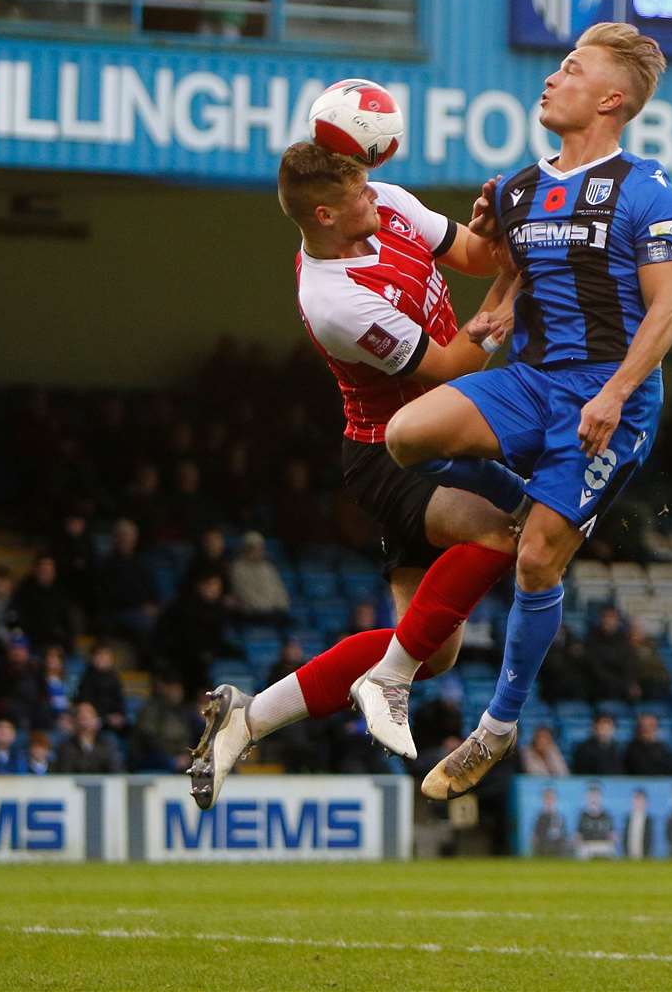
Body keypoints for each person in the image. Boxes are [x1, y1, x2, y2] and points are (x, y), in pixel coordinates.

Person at [382, 23, 672, 799]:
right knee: (404, 435)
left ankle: (495, 729)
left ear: (612, 98)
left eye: (571, 69)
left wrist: (615, 394)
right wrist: (493, 300)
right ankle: (519, 502)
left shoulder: (647, 191)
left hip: (606, 396)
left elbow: (668, 312)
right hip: (529, 381)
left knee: (535, 562)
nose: (552, 79)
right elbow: (512, 274)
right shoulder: (519, 189)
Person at [186, 138, 521, 809]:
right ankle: (382, 683)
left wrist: (501, 233)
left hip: (439, 438)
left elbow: (480, 257)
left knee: (431, 653)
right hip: (394, 454)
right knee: (498, 531)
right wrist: (517, 286)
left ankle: (247, 718)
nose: (377, 194)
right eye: (359, 195)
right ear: (325, 216)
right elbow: (456, 365)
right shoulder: (335, 300)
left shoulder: (388, 203)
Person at [131, 675, 206, 773]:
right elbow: (149, 740)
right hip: (154, 756)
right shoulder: (150, 710)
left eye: (179, 689)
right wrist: (174, 758)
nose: (178, 693)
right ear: (164, 688)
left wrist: (187, 755)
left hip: (182, 757)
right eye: (174, 688)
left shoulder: (184, 711)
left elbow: (196, 734)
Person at [53, 701, 125, 774]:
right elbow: (64, 774)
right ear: (75, 722)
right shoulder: (65, 746)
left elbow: (116, 772)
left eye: (89, 717)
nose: (85, 723)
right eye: (82, 718)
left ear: (97, 721)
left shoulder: (108, 744)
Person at [76, 643, 129, 734]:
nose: (103, 658)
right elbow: (86, 704)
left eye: (106, 654)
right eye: (100, 654)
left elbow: (120, 702)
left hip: (113, 719)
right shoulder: (87, 678)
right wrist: (106, 718)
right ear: (93, 658)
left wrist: (120, 715)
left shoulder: (114, 677)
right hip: (96, 719)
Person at [574, 784, 616, 858]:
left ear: (600, 798)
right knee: (582, 852)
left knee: (611, 851)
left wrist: (612, 841)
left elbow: (612, 834)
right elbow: (578, 835)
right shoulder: (583, 815)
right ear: (587, 798)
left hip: (603, 844)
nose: (594, 799)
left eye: (596, 796)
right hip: (587, 845)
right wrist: (579, 843)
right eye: (591, 796)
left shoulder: (606, 815)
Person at [531, 787, 571, 856]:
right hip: (543, 845)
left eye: (552, 798)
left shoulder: (560, 816)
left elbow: (565, 834)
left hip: (558, 846)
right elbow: (535, 834)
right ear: (544, 800)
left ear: (555, 800)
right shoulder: (540, 817)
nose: (549, 801)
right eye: (547, 798)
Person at [622, 787, 654, 858]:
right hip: (629, 855)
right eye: (636, 799)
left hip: (644, 855)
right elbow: (625, 838)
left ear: (645, 802)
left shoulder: (649, 819)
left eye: (641, 799)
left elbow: (650, 840)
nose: (638, 802)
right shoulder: (628, 818)